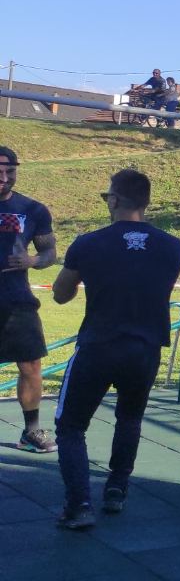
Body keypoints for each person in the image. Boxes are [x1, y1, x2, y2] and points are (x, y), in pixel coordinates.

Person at [50, 170, 180, 529]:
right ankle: (116, 488)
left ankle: (79, 504)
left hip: (99, 344)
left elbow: (61, 294)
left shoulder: (89, 243)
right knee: (130, 417)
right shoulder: (173, 246)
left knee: (70, 425)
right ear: (146, 201)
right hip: (145, 347)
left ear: (113, 200)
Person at [0, 147, 58, 454]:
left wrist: (33, 261)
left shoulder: (34, 210)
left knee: (31, 365)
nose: (5, 178)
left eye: (10, 172)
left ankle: (31, 431)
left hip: (16, 299)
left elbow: (51, 253)